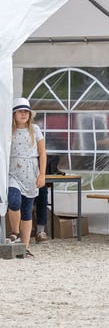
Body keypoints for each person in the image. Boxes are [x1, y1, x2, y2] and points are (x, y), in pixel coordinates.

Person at [8, 97, 46, 257]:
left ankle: (24, 247)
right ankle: (15, 232)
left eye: (26, 111)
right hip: (13, 171)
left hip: (31, 172)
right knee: (14, 199)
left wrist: (42, 174)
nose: (23, 114)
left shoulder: (35, 129)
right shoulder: (8, 129)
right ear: (14, 114)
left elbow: (42, 152)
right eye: (20, 111)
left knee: (27, 210)